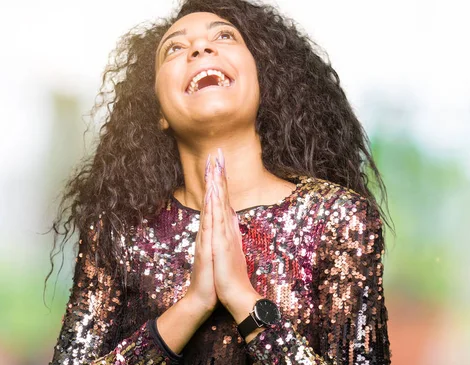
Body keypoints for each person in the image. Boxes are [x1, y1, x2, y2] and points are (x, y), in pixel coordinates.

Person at [47, 0, 391, 363]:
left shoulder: (337, 218)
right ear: (158, 112)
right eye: (175, 48)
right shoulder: (119, 231)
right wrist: (192, 305)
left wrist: (243, 300)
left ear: (263, 85)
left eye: (224, 36)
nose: (200, 48)